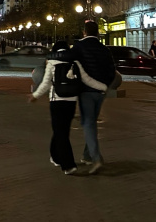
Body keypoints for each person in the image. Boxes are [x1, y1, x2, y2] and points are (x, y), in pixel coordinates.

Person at [46, 20, 114, 175]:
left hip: (86, 91)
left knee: (88, 123)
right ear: (97, 33)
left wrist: (51, 56)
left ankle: (96, 158)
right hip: (101, 91)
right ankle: (87, 155)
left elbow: (67, 59)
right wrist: (105, 86)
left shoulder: (79, 47)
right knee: (92, 123)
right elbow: (112, 69)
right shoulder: (104, 49)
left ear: (84, 32)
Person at [28, 40, 80, 175]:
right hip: (71, 100)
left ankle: (68, 165)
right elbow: (83, 79)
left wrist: (35, 95)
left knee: (59, 131)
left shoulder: (52, 61)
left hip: (56, 100)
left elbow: (46, 83)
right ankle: (56, 157)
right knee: (63, 131)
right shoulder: (75, 60)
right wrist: (101, 88)